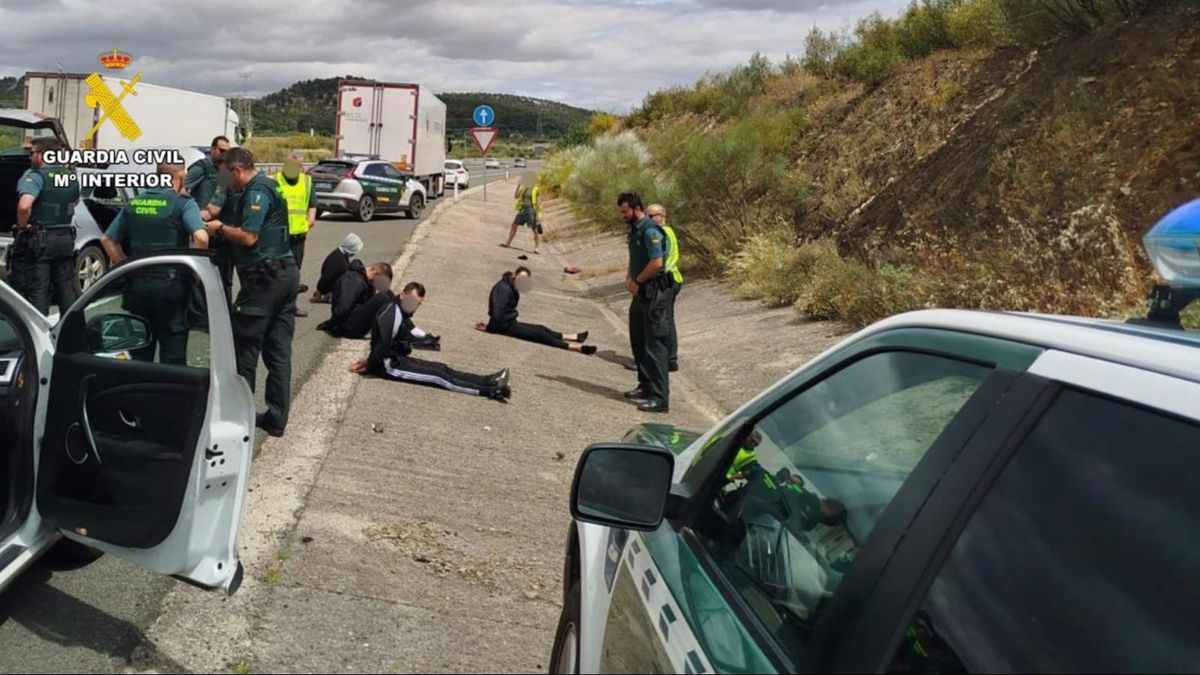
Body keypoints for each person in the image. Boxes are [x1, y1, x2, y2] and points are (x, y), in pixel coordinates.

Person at [205, 147, 297, 437]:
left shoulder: (256, 191)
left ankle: (238, 417)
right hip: (285, 273)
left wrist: (219, 228)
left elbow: (248, 236)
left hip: (263, 278)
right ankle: (277, 418)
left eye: (227, 176)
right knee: (279, 351)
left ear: (236, 171)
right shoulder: (270, 184)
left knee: (245, 348)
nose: (227, 184)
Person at [99, 162, 210, 365]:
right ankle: (170, 394)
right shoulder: (183, 203)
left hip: (138, 286)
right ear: (179, 178)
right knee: (173, 355)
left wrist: (126, 265)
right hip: (172, 287)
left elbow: (107, 240)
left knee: (141, 351)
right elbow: (201, 237)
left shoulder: (134, 203)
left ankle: (142, 392)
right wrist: (194, 271)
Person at [349, 282, 511, 401]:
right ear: (403, 295)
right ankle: (489, 391)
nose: (413, 307)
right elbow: (381, 346)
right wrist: (370, 365)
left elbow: (398, 340)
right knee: (438, 376)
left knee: (442, 368)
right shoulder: (391, 314)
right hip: (388, 367)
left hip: (395, 359)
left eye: (418, 304)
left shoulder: (399, 311)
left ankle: (488, 380)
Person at [11, 137, 80, 315]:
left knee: (38, 289)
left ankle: (38, 335)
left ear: (43, 155)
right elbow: (76, 200)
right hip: (65, 239)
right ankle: (72, 331)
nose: (30, 157)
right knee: (66, 289)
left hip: (40, 241)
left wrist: (22, 228)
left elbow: (25, 205)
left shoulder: (35, 176)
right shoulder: (70, 176)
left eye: (32, 153)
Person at [618, 192, 671, 413]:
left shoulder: (650, 230)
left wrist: (639, 281)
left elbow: (657, 262)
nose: (622, 215)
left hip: (653, 292)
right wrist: (629, 278)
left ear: (636, 208)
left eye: (625, 211)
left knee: (654, 345)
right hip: (639, 292)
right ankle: (645, 385)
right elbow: (634, 256)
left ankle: (660, 398)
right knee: (638, 340)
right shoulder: (635, 229)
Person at [477, 267, 596, 354]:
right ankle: (577, 348)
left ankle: (575, 337)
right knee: (539, 335)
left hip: (509, 322)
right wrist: (490, 328)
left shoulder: (510, 285)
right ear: (514, 274)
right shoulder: (504, 289)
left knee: (541, 328)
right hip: (503, 326)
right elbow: (497, 313)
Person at [187, 137, 234, 303]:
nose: (224, 154)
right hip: (204, 229)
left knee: (225, 278)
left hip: (222, 230)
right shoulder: (202, 167)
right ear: (212, 149)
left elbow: (224, 195)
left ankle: (225, 312)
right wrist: (194, 212)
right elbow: (182, 189)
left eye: (227, 151)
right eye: (221, 150)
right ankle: (200, 315)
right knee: (202, 275)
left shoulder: (225, 171)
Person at [276, 151, 317, 316]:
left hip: (298, 237)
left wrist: (310, 220)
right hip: (279, 236)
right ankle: (276, 306)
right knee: (277, 272)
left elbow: (312, 205)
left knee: (294, 274)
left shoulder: (307, 182)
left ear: (301, 167)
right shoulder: (275, 180)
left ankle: (290, 306)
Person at [317, 260, 394, 338]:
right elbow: (342, 308)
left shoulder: (367, 282)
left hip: (354, 319)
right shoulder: (353, 280)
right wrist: (330, 324)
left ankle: (402, 326)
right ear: (376, 274)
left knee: (388, 294)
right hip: (347, 326)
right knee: (382, 298)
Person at [647, 204, 682, 372]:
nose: (650, 219)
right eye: (648, 215)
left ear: (662, 216)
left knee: (664, 319)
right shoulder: (665, 232)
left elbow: (661, 260)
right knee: (667, 317)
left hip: (667, 280)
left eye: (653, 215)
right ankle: (669, 357)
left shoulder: (663, 233)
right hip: (669, 279)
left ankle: (669, 358)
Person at [312, 233, 363, 304]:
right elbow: (326, 277)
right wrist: (320, 290)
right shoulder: (339, 261)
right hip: (331, 289)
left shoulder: (339, 254)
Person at [501, 175, 542, 253]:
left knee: (534, 229)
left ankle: (537, 248)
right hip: (522, 209)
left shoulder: (536, 190)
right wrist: (518, 186)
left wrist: (537, 215)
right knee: (514, 225)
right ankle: (508, 243)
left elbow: (538, 203)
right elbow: (516, 196)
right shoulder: (524, 188)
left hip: (531, 210)